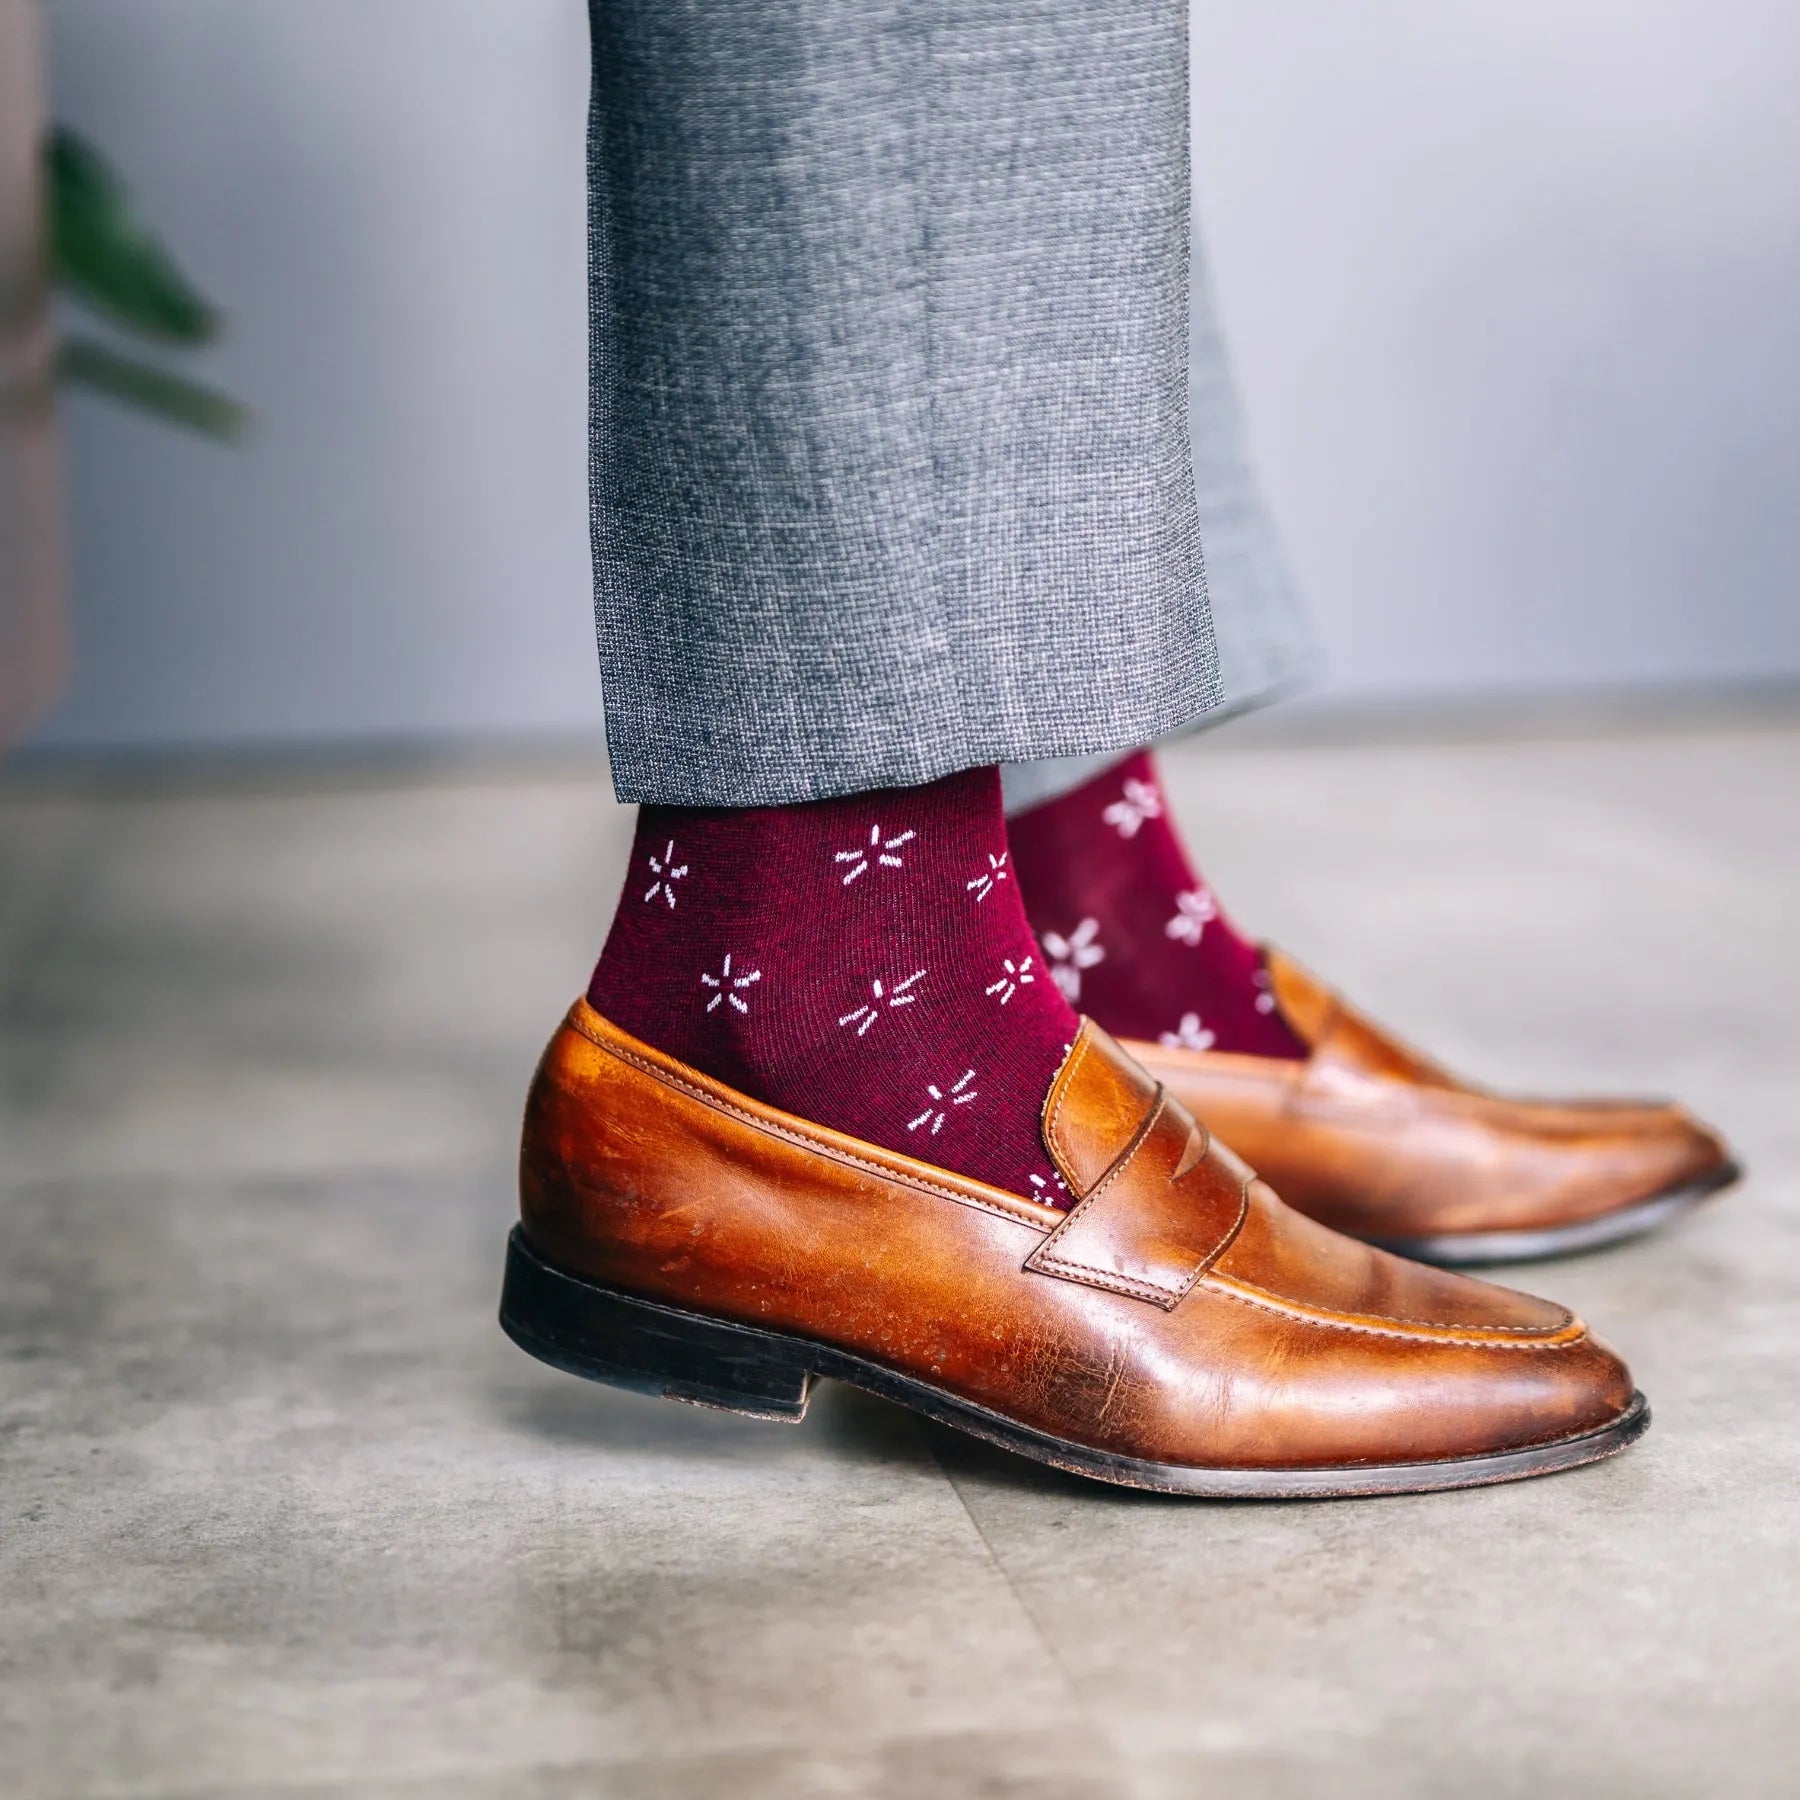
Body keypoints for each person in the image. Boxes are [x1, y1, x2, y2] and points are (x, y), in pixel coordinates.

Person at [498, 0, 1732, 1496]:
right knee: (900, 47)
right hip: (806, 1031)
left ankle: (1072, 923)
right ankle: (823, 1014)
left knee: (1033, 108)